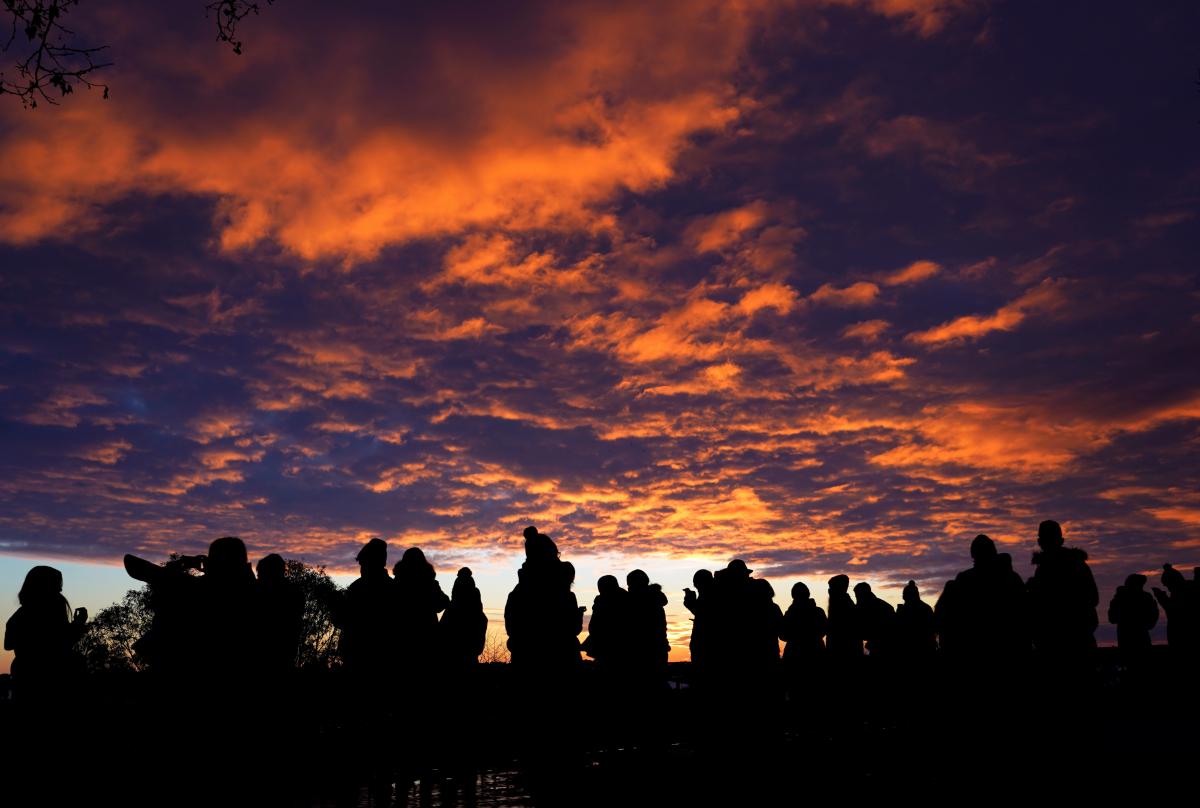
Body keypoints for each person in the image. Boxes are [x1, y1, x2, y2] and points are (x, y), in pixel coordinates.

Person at [4, 566, 87, 701]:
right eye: (57, 588)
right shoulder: (49, 612)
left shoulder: (19, 615)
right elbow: (61, 646)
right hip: (49, 682)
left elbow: (8, 644)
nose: (60, 592)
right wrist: (77, 625)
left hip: (24, 678)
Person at [1026, 520, 1098, 663]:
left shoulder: (1044, 570)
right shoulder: (1078, 564)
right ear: (1061, 540)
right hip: (1078, 638)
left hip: (1056, 641)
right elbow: (1093, 598)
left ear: (1039, 541)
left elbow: (1040, 606)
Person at [1108, 573, 1157, 668]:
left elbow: (1112, 618)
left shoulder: (1121, 597)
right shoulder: (1146, 597)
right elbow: (1153, 615)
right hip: (1138, 634)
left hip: (1127, 635)